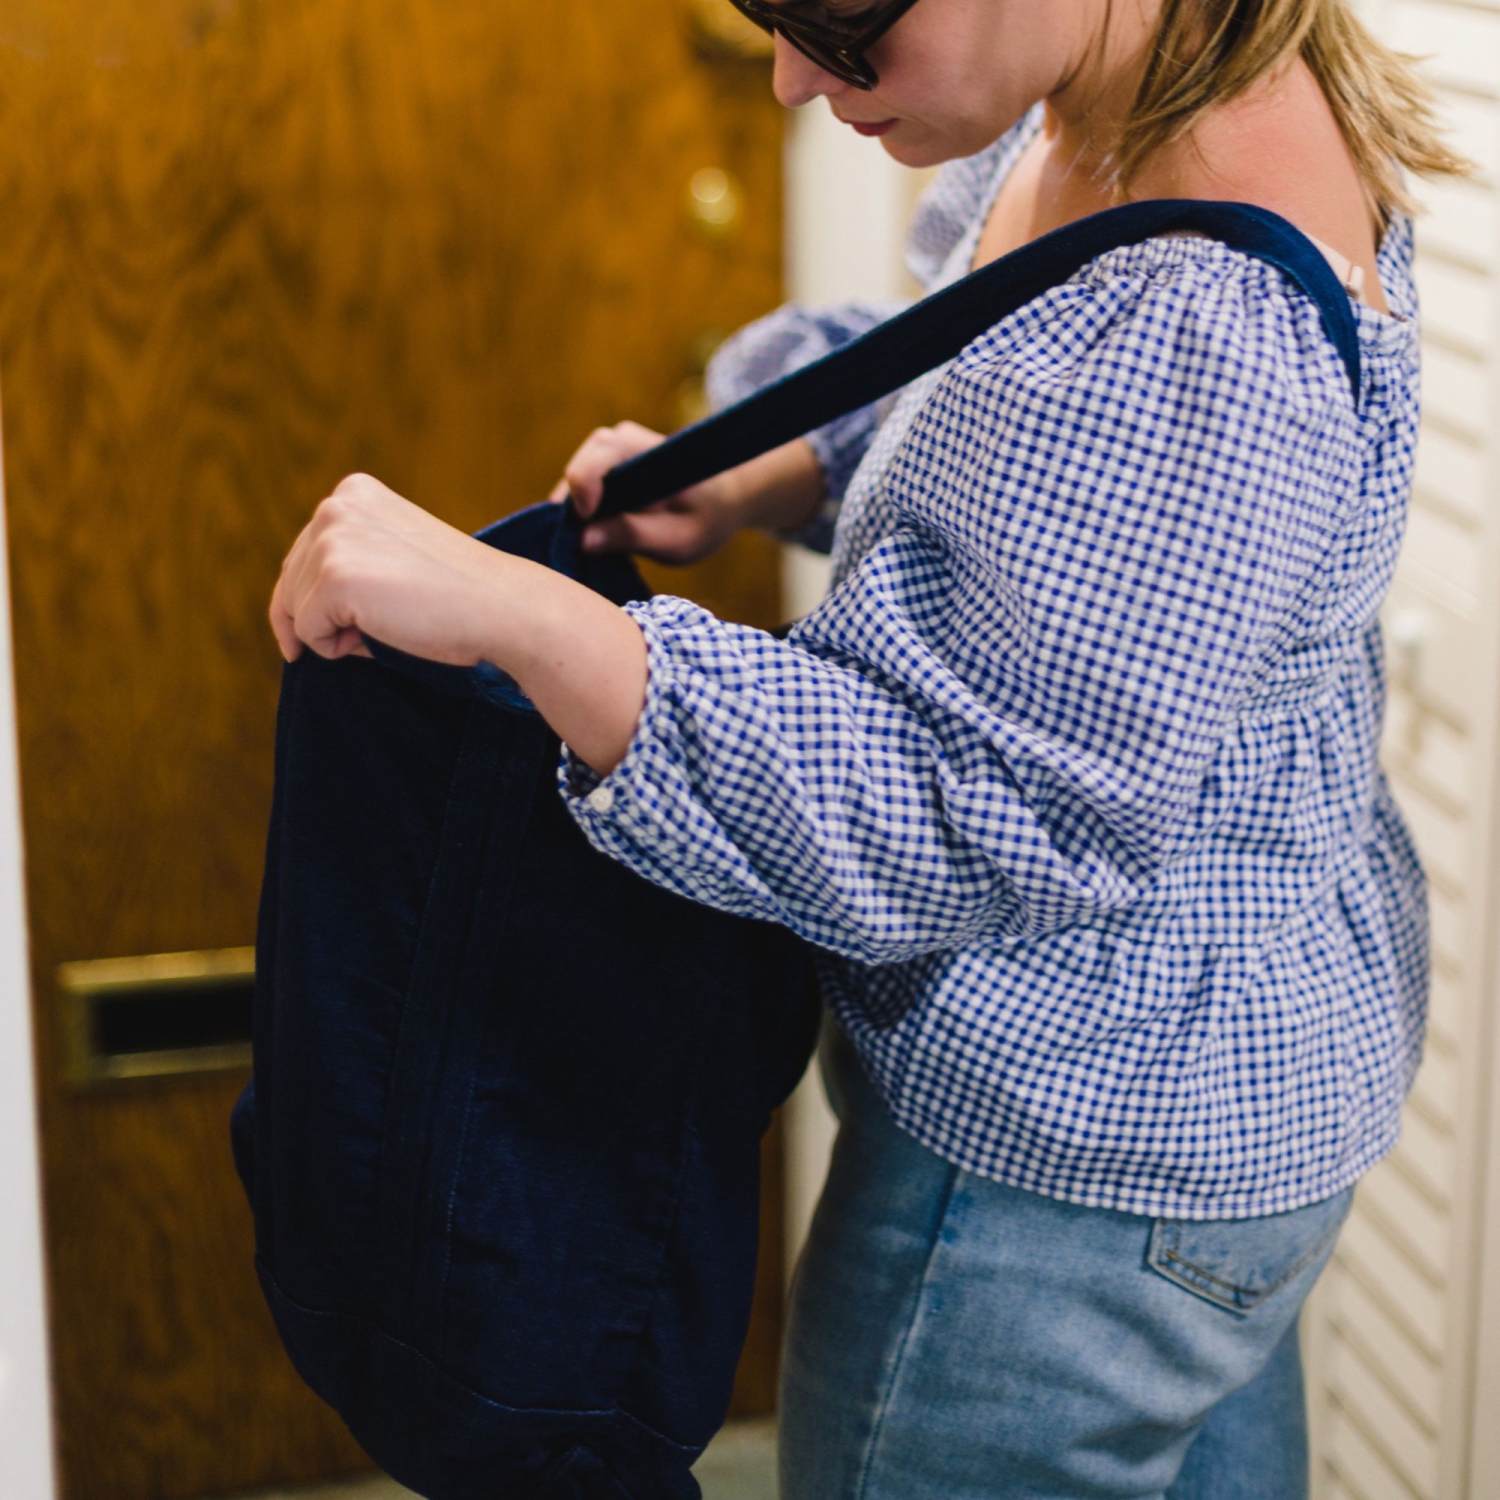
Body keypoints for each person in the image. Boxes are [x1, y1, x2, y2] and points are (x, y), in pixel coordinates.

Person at [267, 1, 1472, 1494]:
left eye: (839, 14)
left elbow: (982, 811)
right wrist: (774, 468)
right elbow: (1026, 459)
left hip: (1061, 1185)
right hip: (1202, 1117)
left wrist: (537, 628)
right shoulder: (1128, 84)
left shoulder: (1205, 320)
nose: (790, 78)